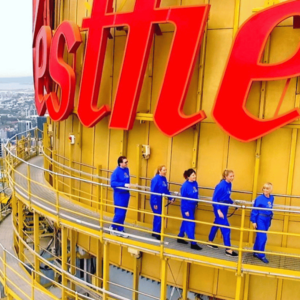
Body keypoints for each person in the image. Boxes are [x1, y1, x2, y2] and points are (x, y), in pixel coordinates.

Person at [208, 170, 238, 257]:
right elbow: (214, 199)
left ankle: (210, 241)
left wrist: (232, 203)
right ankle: (228, 249)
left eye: (233, 176)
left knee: (217, 223)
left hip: (225, 207)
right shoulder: (220, 186)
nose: (232, 178)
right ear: (226, 176)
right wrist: (218, 210)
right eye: (231, 176)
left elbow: (226, 197)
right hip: (220, 207)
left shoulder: (229, 185)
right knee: (226, 227)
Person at [177, 169, 202, 250]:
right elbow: (183, 199)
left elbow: (196, 194)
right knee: (191, 224)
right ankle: (193, 243)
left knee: (185, 222)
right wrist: (185, 210)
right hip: (187, 207)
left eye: (195, 175)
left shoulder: (195, 183)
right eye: (193, 175)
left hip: (193, 206)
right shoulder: (185, 186)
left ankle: (180, 237)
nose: (195, 176)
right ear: (188, 177)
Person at [250, 182, 274, 264]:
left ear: (271, 189)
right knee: (263, 237)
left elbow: (270, 207)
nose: (265, 190)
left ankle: (256, 251)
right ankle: (261, 254)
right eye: (264, 188)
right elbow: (254, 209)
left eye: (267, 188)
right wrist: (254, 221)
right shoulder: (259, 199)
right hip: (260, 218)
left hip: (267, 219)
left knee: (260, 236)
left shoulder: (272, 198)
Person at [150, 165, 173, 240]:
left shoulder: (164, 179)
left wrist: (170, 197)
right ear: (159, 171)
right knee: (158, 216)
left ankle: (155, 231)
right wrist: (155, 203)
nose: (165, 172)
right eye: (164, 170)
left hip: (161, 200)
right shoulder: (156, 179)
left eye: (166, 170)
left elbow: (166, 190)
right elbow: (153, 191)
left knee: (158, 216)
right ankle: (157, 233)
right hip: (156, 200)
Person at [109, 156, 131, 237]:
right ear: (120, 163)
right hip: (119, 195)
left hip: (126, 194)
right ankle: (112, 227)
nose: (127, 163)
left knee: (123, 213)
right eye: (125, 162)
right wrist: (124, 185)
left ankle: (120, 229)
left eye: (127, 161)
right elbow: (113, 183)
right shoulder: (116, 172)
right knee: (119, 213)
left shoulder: (127, 170)